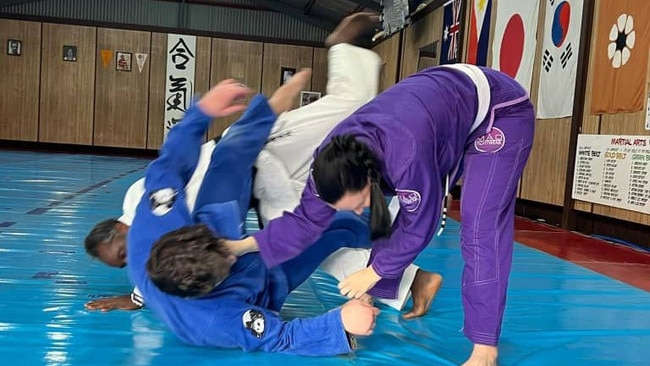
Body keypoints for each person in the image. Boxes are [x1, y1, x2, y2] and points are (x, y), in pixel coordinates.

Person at [85, 12, 442, 316]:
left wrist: (214, 112)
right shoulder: (150, 239)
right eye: (124, 264)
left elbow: (179, 162)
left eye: (123, 252)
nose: (131, 261)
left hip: (258, 154)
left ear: (120, 228)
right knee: (301, 240)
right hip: (258, 184)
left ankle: (343, 45)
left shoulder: (145, 205)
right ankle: (409, 279)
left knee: (352, 106)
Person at [225, 62, 536, 365]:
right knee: (387, 217)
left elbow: (420, 224)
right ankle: (380, 294)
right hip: (439, 109)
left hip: (500, 110)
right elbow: (303, 222)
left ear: (370, 178)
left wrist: (372, 273)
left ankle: (485, 352)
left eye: (359, 201)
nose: (359, 210)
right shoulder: (328, 164)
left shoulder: (408, 153)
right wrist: (240, 246)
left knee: (480, 226)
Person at [128, 74, 383, 356]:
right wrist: (340, 323)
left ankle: (268, 111)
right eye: (227, 262)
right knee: (330, 227)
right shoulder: (214, 319)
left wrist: (200, 114)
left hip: (210, 224)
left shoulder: (155, 225)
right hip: (263, 282)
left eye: (224, 251)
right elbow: (280, 338)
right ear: (209, 286)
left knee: (229, 154)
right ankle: (382, 232)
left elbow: (168, 166)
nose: (233, 253)